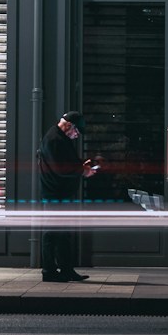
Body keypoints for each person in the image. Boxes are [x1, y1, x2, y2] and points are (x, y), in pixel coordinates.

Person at [37, 110, 96, 282]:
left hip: (58, 194)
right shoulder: (55, 139)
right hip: (56, 195)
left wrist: (80, 165)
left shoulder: (58, 137)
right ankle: (49, 271)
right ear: (69, 125)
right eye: (76, 132)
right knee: (53, 233)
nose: (77, 136)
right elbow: (60, 168)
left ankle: (65, 270)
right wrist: (83, 170)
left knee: (61, 234)